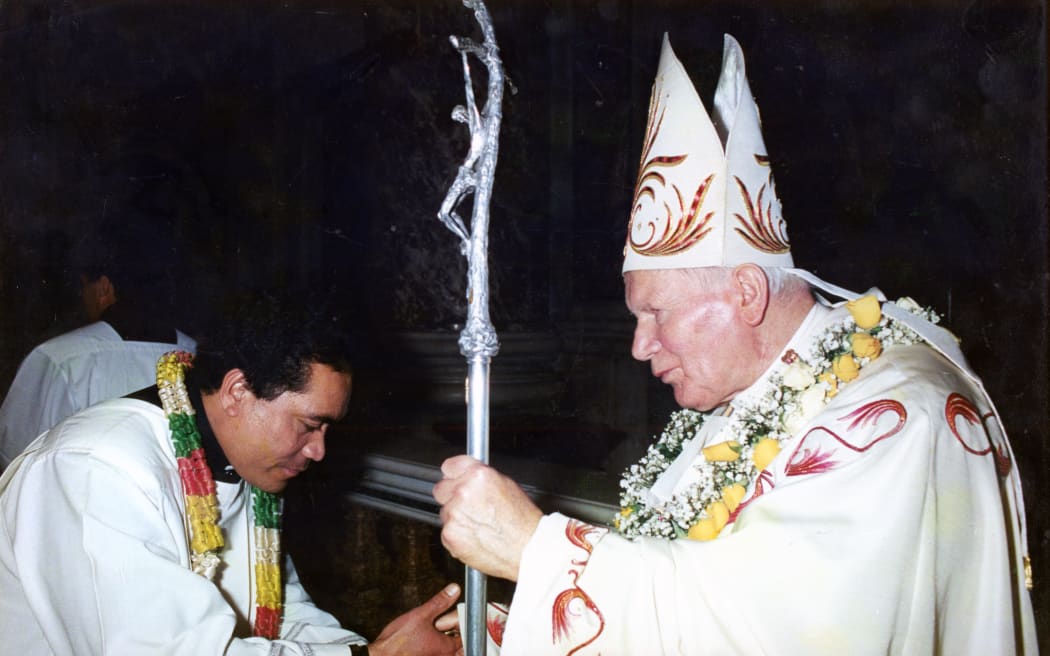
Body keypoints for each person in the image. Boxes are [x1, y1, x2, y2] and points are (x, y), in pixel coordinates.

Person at [433, 34, 1037, 654]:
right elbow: (683, 569)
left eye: (656, 313)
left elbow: (776, 627)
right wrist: (524, 625)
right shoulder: (751, 395)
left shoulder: (902, 415)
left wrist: (539, 555)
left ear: (747, 292)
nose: (640, 347)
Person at [0, 292, 463, 655]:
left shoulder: (244, 466)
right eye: (309, 424)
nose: (320, 450)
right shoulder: (96, 468)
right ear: (238, 390)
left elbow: (283, 616)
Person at [0, 219, 196, 468]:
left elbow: (14, 458)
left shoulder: (60, 359)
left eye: (84, 287)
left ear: (103, 288)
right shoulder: (194, 352)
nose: (83, 297)